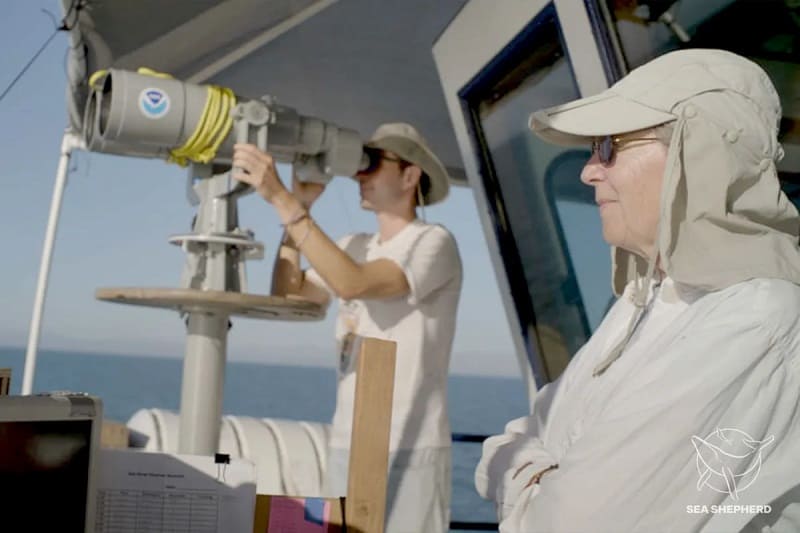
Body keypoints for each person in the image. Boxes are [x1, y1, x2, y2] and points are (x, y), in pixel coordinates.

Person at [475, 48, 800, 532]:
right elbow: (510, 441)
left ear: (699, 151)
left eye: (608, 146)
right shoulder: (644, 301)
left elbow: (567, 524)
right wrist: (542, 475)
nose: (588, 170)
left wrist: (535, 476)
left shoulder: (755, 316)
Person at [232, 122, 462, 532]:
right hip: (349, 441)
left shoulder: (433, 242)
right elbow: (290, 296)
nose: (360, 174)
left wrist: (283, 199)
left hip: (410, 445)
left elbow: (352, 282)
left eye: (373, 164)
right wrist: (300, 208)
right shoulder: (353, 245)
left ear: (410, 175)